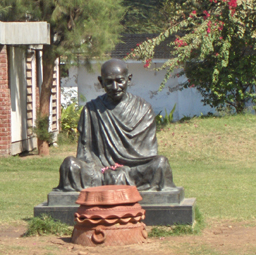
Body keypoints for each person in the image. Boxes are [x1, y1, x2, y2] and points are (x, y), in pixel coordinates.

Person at [54, 59, 177, 192]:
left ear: (128, 79)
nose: (115, 87)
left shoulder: (143, 109)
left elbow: (148, 154)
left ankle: (115, 182)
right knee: (70, 165)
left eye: (119, 81)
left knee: (160, 164)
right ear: (101, 82)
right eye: (109, 82)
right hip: (99, 172)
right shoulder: (91, 109)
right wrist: (104, 170)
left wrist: (123, 170)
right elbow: (84, 152)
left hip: (134, 172)